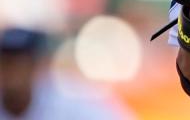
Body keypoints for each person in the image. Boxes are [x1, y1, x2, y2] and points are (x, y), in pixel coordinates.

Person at [0, 28, 133, 120]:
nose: (12, 73)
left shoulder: (71, 98)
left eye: (19, 63)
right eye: (6, 63)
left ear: (36, 66)